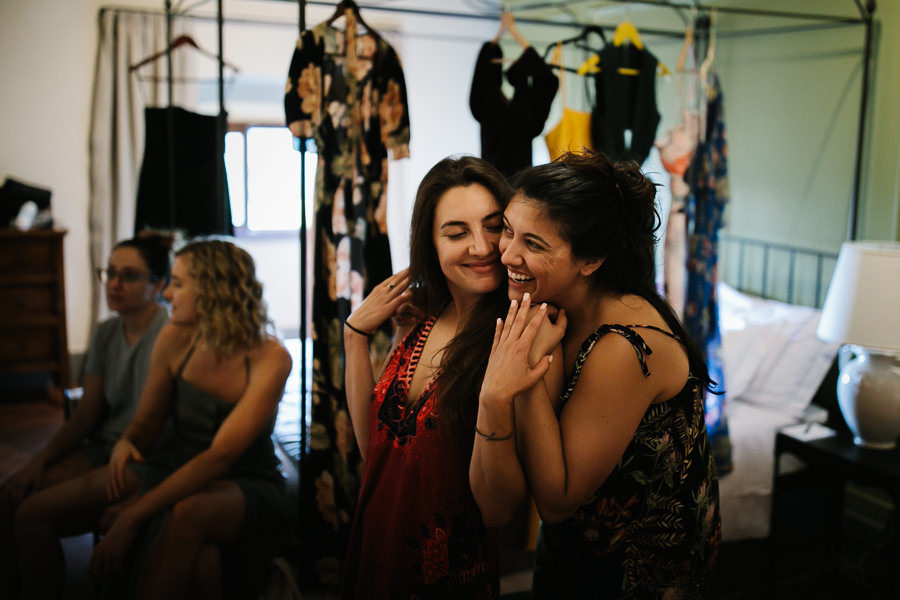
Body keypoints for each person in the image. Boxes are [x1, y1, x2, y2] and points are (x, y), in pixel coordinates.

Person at [475, 151, 721, 599]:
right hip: (581, 556)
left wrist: (533, 369)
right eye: (508, 231)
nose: (507, 253)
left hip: (631, 577)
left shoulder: (624, 349)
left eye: (534, 244)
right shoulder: (559, 304)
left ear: (590, 261)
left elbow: (556, 501)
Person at [341, 156, 523, 599]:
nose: (481, 247)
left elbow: (501, 509)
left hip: (448, 578)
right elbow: (375, 450)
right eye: (457, 233)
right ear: (430, 243)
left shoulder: (515, 336)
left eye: (494, 226)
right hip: (377, 548)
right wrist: (355, 338)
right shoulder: (423, 318)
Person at [88, 238, 293, 600]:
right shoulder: (174, 336)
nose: (166, 293)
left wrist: (132, 516)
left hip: (248, 482)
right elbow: (146, 422)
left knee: (188, 510)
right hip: (177, 468)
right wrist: (128, 440)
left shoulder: (272, 356)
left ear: (214, 291)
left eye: (178, 283)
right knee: (204, 563)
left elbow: (221, 456)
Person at [1, 233, 171, 599]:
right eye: (109, 273)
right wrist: (39, 460)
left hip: (143, 457)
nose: (113, 283)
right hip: (104, 447)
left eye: (128, 275)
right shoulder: (106, 331)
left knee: (32, 514)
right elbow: (86, 412)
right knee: (10, 495)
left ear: (158, 284)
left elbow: (160, 429)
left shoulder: (168, 333)